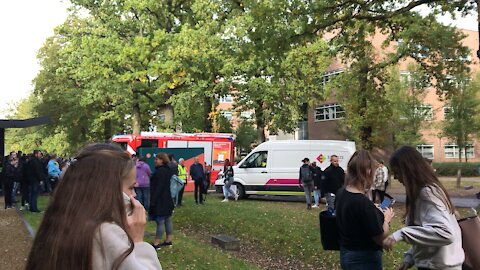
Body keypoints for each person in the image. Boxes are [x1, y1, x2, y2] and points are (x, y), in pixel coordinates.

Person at [25, 143, 162, 270]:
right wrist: (138, 242)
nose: (134, 195)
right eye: (131, 188)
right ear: (108, 189)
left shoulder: (59, 222)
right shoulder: (106, 233)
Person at [383, 146, 464, 270]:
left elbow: (446, 233)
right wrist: (409, 258)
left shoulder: (427, 193)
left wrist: (401, 234)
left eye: (397, 172)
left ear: (408, 170)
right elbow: (426, 231)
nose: (395, 177)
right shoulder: (426, 191)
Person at [335, 150, 394, 270]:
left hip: (346, 253)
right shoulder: (362, 203)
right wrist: (386, 219)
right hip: (364, 259)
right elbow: (380, 238)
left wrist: (373, 208)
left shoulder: (341, 193)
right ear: (368, 171)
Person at [150, 153, 175, 250]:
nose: (155, 161)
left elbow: (159, 187)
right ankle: (169, 240)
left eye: (157, 159)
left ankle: (157, 243)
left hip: (161, 200)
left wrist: (153, 200)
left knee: (160, 221)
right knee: (168, 220)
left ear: (162, 160)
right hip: (167, 198)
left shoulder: (160, 172)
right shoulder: (168, 170)